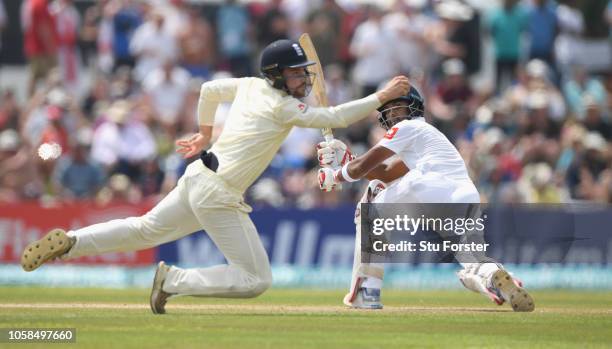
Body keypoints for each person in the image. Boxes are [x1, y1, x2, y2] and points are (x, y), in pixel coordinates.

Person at [20, 39, 410, 314]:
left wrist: (205, 133)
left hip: (197, 176)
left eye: (303, 73)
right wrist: (382, 96)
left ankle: (71, 243)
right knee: (256, 280)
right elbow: (335, 117)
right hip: (218, 192)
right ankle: (173, 280)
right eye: (294, 74)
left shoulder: (249, 86)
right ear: (276, 75)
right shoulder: (283, 107)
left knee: (143, 230)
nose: (302, 80)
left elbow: (208, 89)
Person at [317, 86, 535, 312]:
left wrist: (335, 175)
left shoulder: (406, 127)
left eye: (396, 108)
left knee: (372, 198)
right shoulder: (431, 138)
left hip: (428, 186)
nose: (391, 115)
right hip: (465, 194)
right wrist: (347, 160)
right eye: (388, 111)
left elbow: (364, 168)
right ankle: (496, 277)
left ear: (413, 106)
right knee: (471, 256)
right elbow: (385, 172)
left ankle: (367, 292)